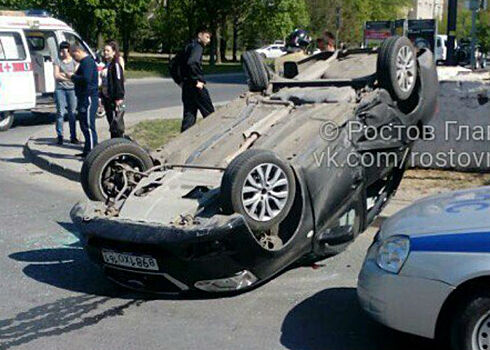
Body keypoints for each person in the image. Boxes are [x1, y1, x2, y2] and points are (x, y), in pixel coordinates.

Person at [180, 27, 215, 132]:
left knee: (189, 114)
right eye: (207, 37)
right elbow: (193, 62)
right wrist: (199, 79)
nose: (208, 41)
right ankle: (214, 133)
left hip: (186, 85)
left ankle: (184, 139)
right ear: (200, 35)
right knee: (209, 112)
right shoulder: (198, 47)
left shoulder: (189, 46)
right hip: (196, 85)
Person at [67, 45, 99, 158]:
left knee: (88, 125)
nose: (73, 58)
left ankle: (92, 152)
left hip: (88, 97)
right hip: (83, 97)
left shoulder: (88, 62)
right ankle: (87, 149)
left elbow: (86, 79)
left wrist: (73, 77)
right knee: (84, 124)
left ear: (78, 51)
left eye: (73, 55)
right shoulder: (84, 63)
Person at [53, 41, 78, 145]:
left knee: (72, 113)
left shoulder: (74, 61)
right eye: (61, 51)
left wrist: (65, 76)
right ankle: (60, 135)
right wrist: (68, 76)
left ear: (68, 50)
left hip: (72, 89)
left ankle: (73, 136)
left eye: (64, 51)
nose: (62, 53)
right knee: (60, 112)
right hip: (60, 89)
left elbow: (75, 76)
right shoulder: (57, 61)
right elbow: (56, 75)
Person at [100, 40, 125, 138]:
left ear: (114, 52)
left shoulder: (115, 65)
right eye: (104, 50)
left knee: (117, 124)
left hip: (114, 99)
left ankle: (119, 145)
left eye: (108, 51)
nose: (105, 53)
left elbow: (119, 81)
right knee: (111, 124)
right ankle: (113, 143)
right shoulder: (107, 65)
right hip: (107, 98)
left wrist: (119, 98)